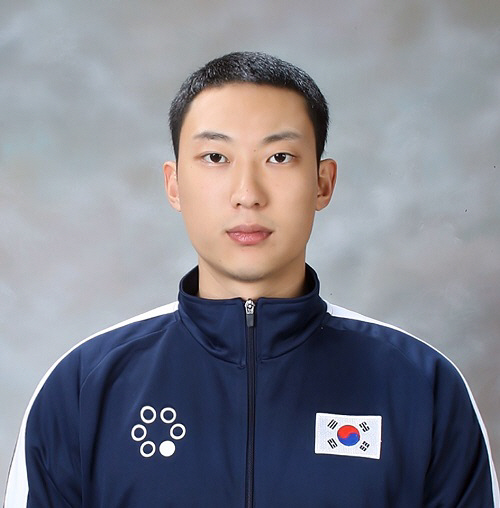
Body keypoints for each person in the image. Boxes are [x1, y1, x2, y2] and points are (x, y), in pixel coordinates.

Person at [4, 51, 499, 507]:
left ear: (323, 182)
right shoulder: (85, 387)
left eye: (279, 157)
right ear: (174, 185)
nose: (247, 193)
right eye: (215, 158)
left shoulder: (421, 386)